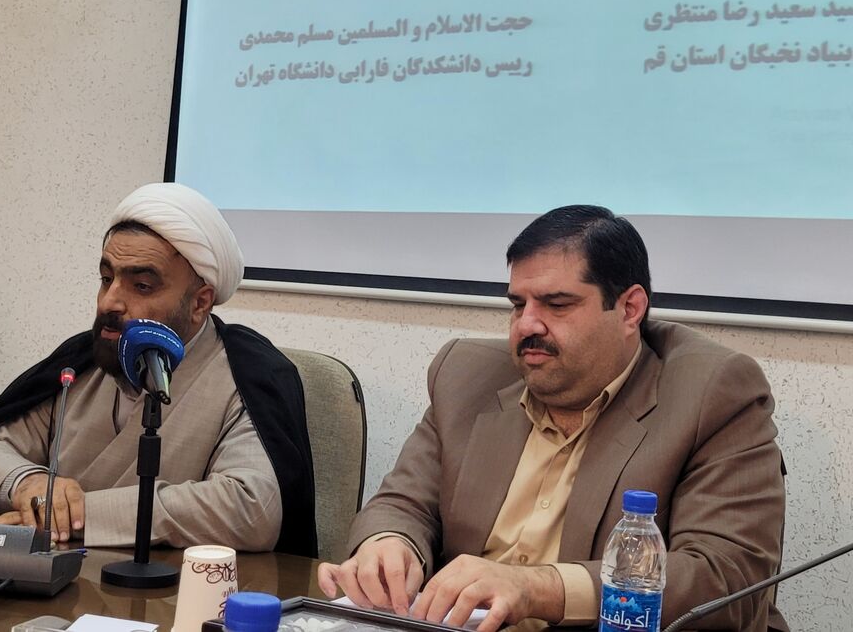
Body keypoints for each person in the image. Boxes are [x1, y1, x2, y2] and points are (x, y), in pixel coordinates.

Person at [318, 205, 787, 632]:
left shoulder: (712, 392)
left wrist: (537, 588)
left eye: (557, 304)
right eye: (518, 305)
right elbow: (404, 502)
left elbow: (725, 578)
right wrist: (390, 545)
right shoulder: (464, 376)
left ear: (629, 309)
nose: (527, 325)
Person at [0, 182, 317, 555]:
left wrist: (76, 516)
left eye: (142, 286)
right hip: (61, 583)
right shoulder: (82, 364)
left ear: (200, 303)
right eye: (107, 279)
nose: (110, 301)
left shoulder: (245, 376)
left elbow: (253, 507)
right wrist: (27, 485)